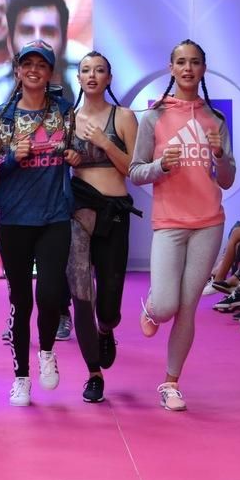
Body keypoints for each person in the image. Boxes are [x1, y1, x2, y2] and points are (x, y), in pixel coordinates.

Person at [130, 39, 236, 412]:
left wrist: (220, 156)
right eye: (181, 62)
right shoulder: (154, 117)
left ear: (203, 69)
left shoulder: (216, 119)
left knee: (188, 308)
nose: (188, 69)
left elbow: (226, 179)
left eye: (194, 63)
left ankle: (170, 382)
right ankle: (151, 311)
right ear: (171, 68)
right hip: (169, 223)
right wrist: (162, 166)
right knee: (166, 304)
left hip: (209, 222)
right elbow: (136, 171)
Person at [0, 40, 79, 407]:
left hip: (55, 216)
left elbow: (76, 151)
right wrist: (12, 157)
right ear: (17, 71)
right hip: (14, 219)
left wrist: (75, 155)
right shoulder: (2, 116)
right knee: (20, 301)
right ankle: (20, 377)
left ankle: (46, 352)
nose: (33, 70)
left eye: (40, 65)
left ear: (50, 73)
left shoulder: (64, 112)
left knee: (48, 296)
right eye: (26, 64)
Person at [66, 52, 139, 403]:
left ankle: (106, 328)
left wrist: (105, 143)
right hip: (78, 211)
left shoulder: (123, 116)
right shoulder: (68, 118)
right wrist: (72, 158)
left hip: (114, 212)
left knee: (108, 302)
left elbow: (134, 170)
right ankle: (93, 373)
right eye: (85, 70)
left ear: (109, 78)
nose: (92, 76)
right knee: (82, 294)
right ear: (78, 78)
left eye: (99, 71)